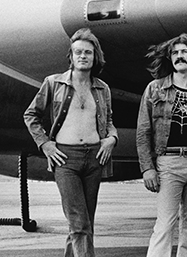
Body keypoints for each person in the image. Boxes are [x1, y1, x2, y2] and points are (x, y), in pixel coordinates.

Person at [24, 28, 118, 257]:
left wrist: (112, 139)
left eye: (88, 52)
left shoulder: (102, 88)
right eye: (78, 52)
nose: (83, 56)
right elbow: (31, 115)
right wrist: (45, 144)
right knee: (79, 223)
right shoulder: (54, 83)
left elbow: (110, 122)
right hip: (65, 159)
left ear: (95, 56)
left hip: (95, 158)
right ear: (71, 56)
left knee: (84, 224)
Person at [136, 33, 187, 257]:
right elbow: (143, 132)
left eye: (184, 52)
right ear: (169, 59)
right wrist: (147, 168)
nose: (179, 56)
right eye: (175, 53)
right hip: (169, 163)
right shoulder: (155, 89)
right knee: (165, 224)